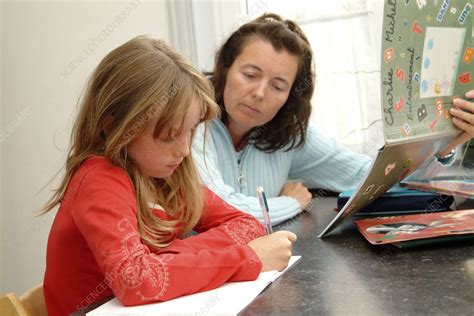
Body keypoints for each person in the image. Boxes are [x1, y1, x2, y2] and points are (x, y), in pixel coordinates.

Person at [42, 36, 297, 316]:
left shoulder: (166, 175)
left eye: (190, 131)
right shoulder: (99, 177)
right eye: (168, 136)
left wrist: (163, 260)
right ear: (112, 126)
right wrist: (248, 259)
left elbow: (247, 225)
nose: (185, 150)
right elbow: (137, 281)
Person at [192, 13, 474, 226]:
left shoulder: (290, 136)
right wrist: (290, 202)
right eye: (250, 75)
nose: (259, 93)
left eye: (278, 86)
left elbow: (380, 177)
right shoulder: (191, 123)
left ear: (290, 95)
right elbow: (219, 211)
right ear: (225, 67)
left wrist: (445, 145)